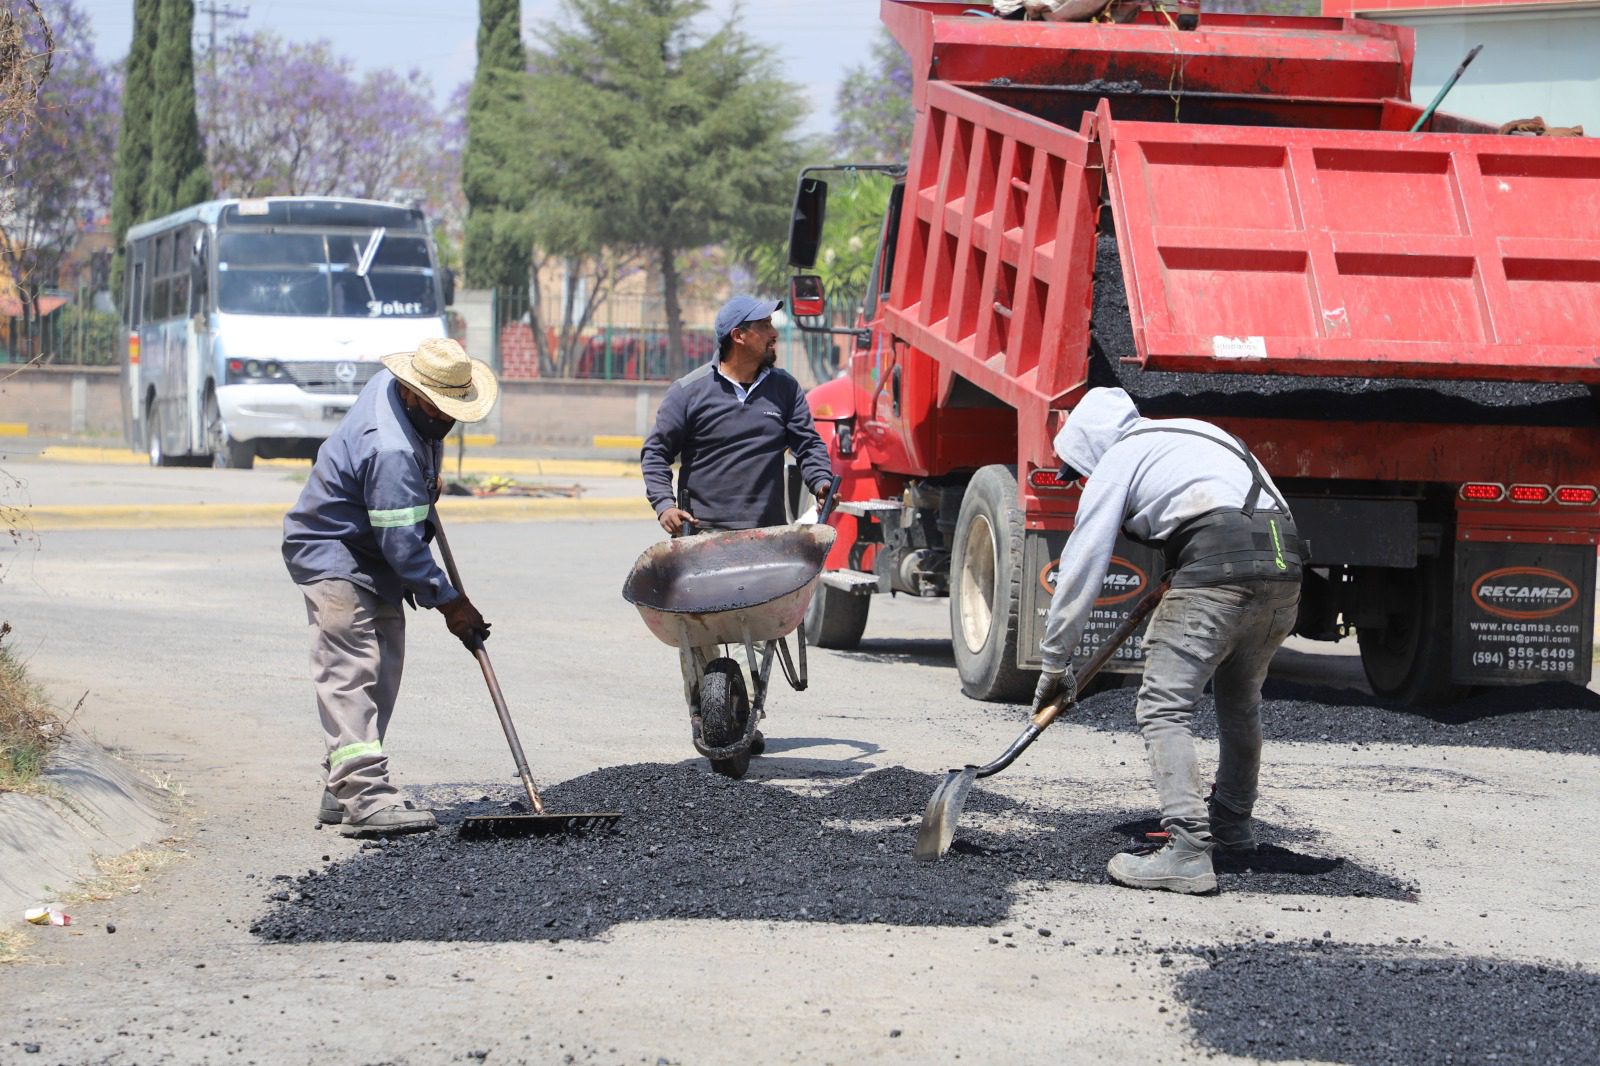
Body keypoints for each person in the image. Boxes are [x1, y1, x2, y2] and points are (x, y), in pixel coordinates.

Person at [1035, 387, 1303, 894]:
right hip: (1283, 567)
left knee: (1164, 706)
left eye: (1080, 471)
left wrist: (1054, 664)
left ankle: (1186, 850)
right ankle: (1232, 827)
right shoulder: (1195, 434)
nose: (1083, 482)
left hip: (1217, 570)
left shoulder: (1119, 457)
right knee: (1241, 701)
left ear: (1092, 447)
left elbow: (1079, 568)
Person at [283, 338, 498, 836]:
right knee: (350, 670)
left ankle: (344, 785)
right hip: (334, 552)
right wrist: (451, 602)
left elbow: (397, 530)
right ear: (413, 393)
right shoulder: (391, 447)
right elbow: (402, 546)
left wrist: (429, 481)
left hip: (373, 553)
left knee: (383, 670)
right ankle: (366, 800)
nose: (447, 422)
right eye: (441, 412)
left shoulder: (404, 403)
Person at [642, 295, 834, 534]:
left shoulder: (785, 388)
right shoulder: (688, 391)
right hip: (703, 537)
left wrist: (821, 483)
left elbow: (808, 445)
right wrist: (665, 505)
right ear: (738, 336)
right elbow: (656, 453)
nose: (774, 333)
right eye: (764, 325)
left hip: (768, 536)